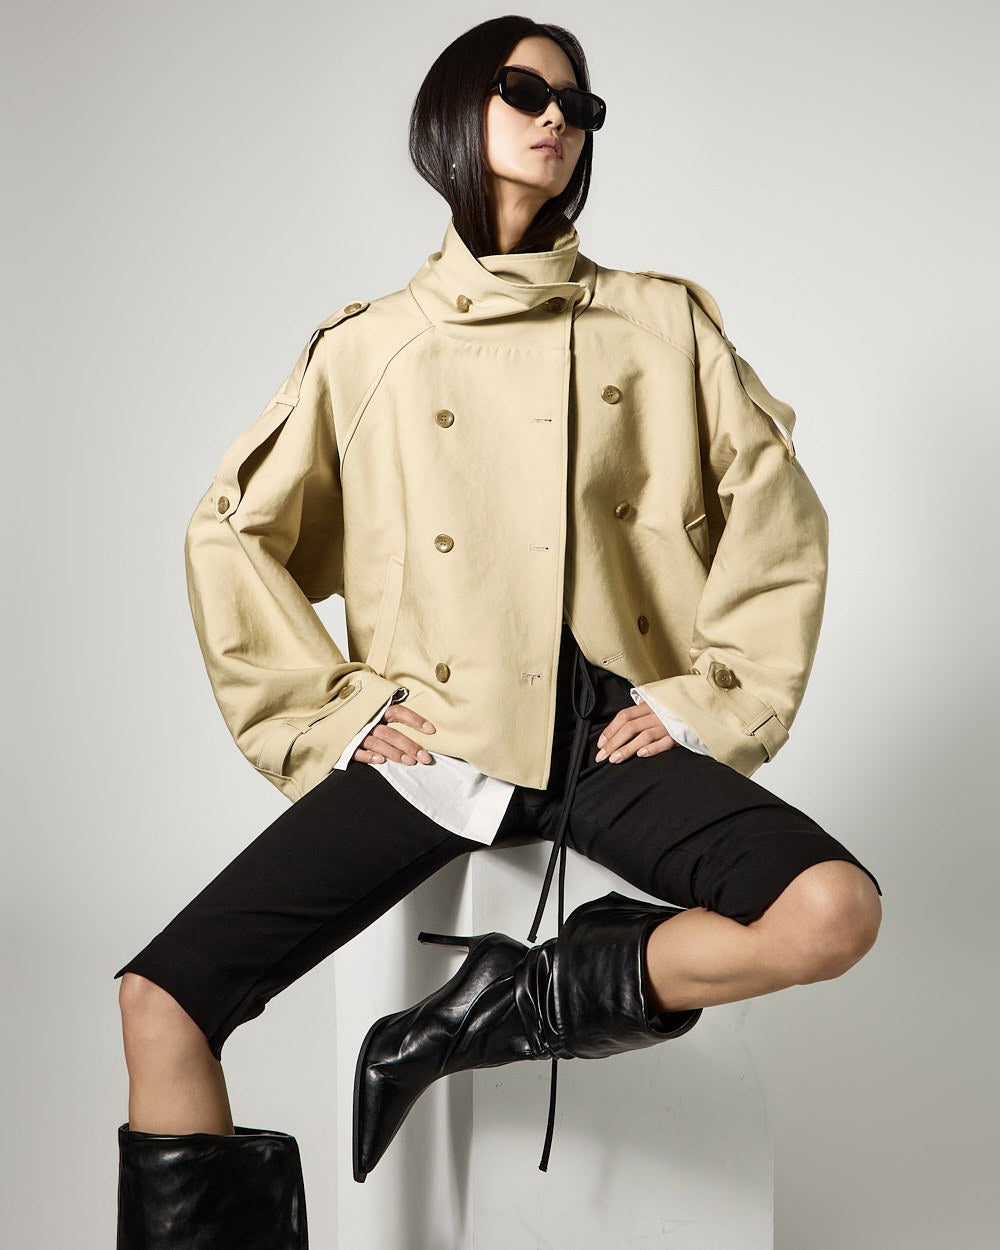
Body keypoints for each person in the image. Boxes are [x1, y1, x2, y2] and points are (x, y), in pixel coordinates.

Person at [112, 14, 883, 1246]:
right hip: (444, 739)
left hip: (601, 733)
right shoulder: (370, 347)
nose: (556, 118)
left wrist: (704, 696)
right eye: (524, 91)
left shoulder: (659, 321)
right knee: (161, 1000)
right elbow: (231, 531)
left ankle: (501, 1001)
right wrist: (339, 711)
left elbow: (776, 513)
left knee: (832, 909)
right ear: (453, 112)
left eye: (579, 105)